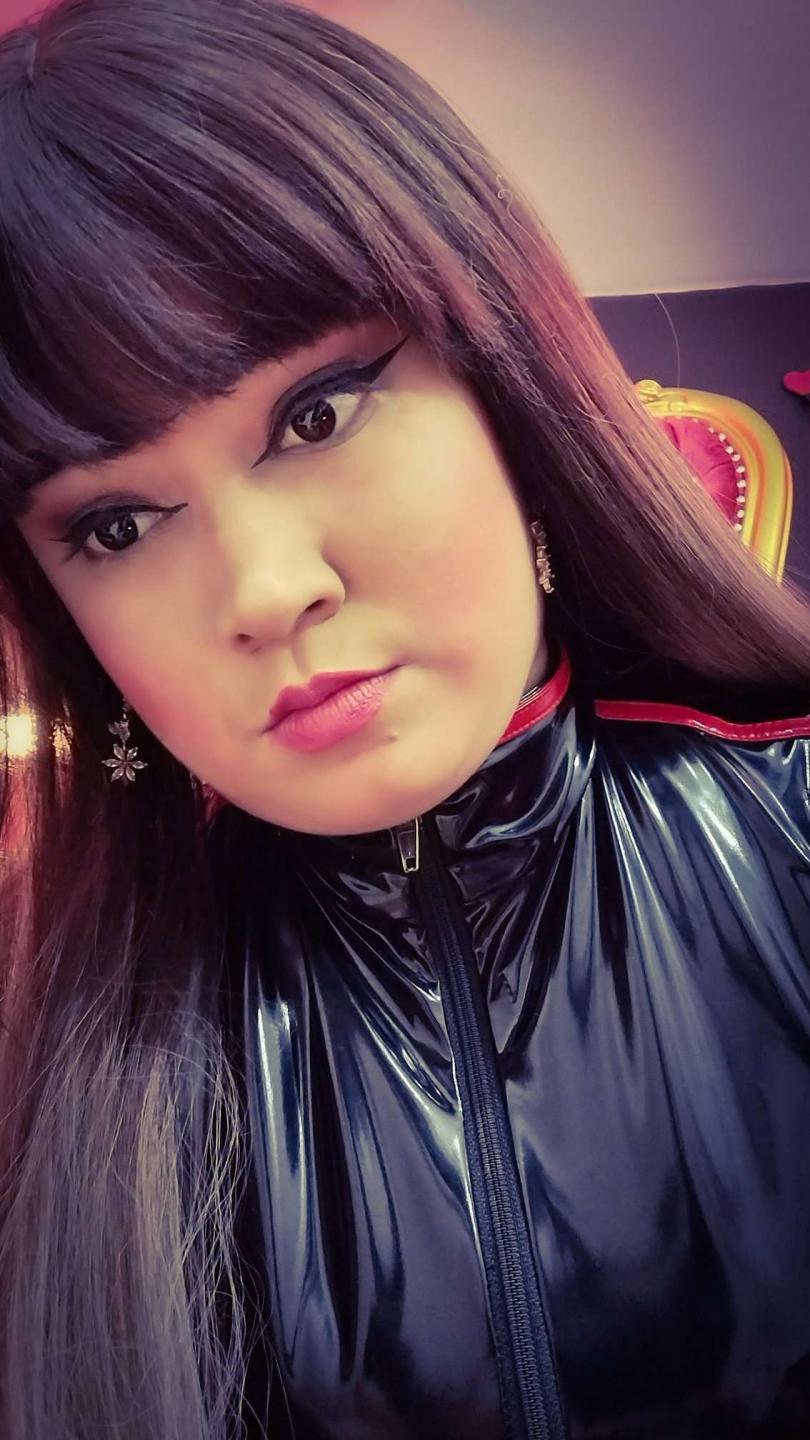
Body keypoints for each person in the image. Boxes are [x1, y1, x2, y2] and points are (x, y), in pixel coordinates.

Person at [0, 1, 808, 1436]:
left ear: (507, 395)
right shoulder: (56, 1050)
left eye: (316, 416)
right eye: (117, 525)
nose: (267, 590)